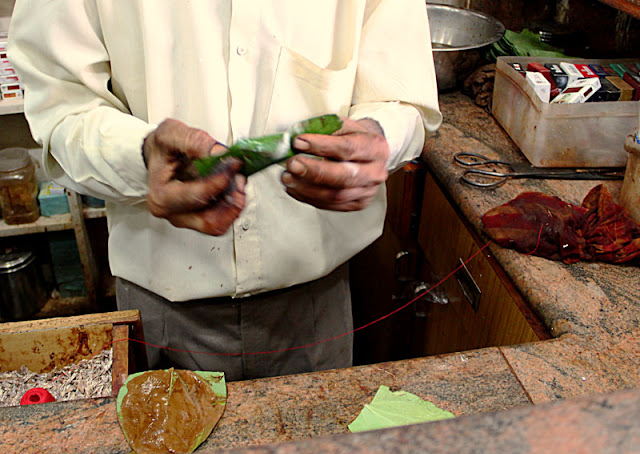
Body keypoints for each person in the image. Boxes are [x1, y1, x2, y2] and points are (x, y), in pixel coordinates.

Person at [8, 0, 442, 381]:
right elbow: (61, 107)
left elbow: (402, 97)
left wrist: (379, 137)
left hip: (317, 306)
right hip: (161, 306)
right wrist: (139, 157)